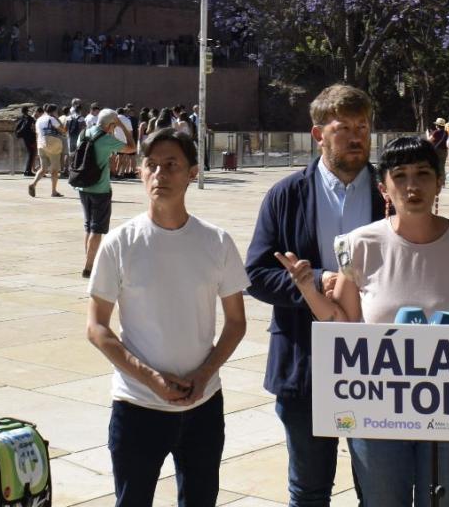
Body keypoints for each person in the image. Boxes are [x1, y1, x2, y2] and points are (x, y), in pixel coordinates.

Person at [276, 136, 449, 507]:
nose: (412, 186)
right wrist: (307, 288)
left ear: (440, 182)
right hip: (378, 409)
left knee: (443, 502)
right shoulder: (359, 245)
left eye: (423, 174)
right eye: (399, 176)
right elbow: (343, 325)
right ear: (383, 187)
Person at [87, 128, 248, 507]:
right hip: (138, 405)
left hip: (203, 404)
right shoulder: (119, 244)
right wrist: (150, 378)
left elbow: (236, 322)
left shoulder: (216, 241)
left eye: (172, 165)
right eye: (152, 165)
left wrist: (203, 375)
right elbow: (97, 327)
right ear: (140, 172)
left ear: (192, 172)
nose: (160, 174)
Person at [245, 84, 384, 506]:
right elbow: (256, 273)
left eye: (363, 126)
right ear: (318, 134)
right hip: (305, 363)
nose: (358, 136)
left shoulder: (390, 193)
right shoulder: (286, 195)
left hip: (378, 366)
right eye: (344, 128)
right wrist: (316, 281)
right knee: (308, 490)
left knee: (381, 491)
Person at [75, 109, 136, 278]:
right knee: (97, 229)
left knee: (88, 226)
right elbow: (132, 148)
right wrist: (123, 127)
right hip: (100, 189)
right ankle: (89, 267)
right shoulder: (106, 139)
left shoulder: (84, 133)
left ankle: (88, 261)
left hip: (83, 186)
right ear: (110, 125)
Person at [28, 104, 65, 198]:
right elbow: (63, 130)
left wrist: (37, 148)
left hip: (41, 145)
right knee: (54, 170)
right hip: (52, 144)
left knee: (43, 168)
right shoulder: (52, 119)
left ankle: (33, 184)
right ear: (53, 111)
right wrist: (57, 118)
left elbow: (37, 134)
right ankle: (54, 191)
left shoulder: (38, 120)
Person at [14, 106, 38, 176]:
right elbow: (34, 126)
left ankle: (27, 170)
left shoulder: (20, 118)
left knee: (30, 154)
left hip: (24, 137)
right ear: (27, 111)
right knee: (31, 154)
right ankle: (28, 171)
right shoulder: (30, 118)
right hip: (30, 138)